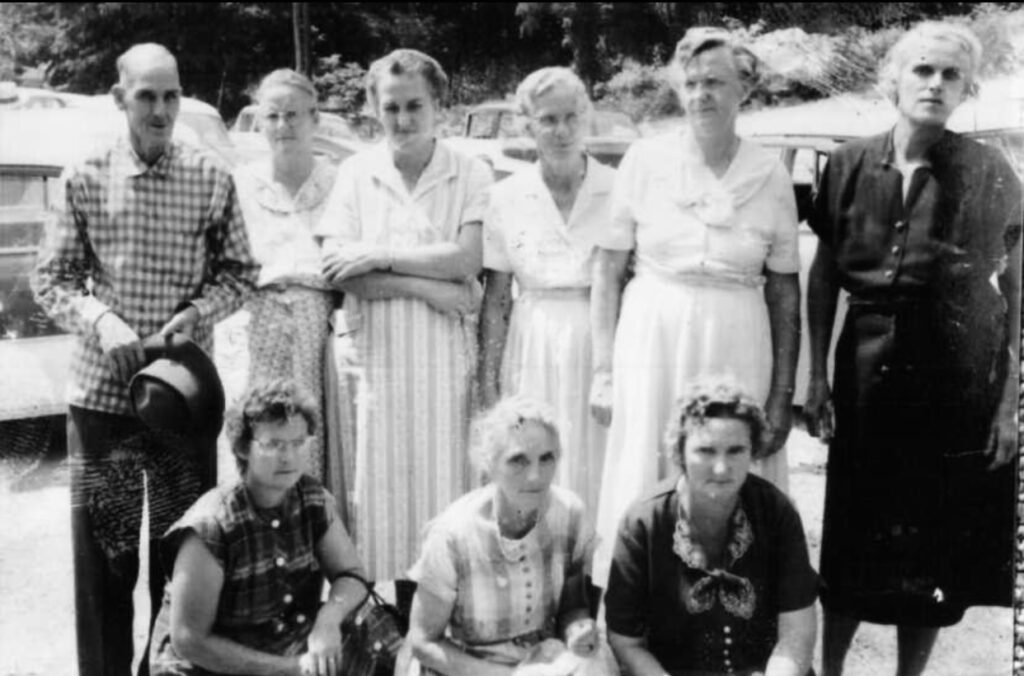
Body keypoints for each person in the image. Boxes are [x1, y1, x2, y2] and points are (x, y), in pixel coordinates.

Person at [30, 43, 259, 676]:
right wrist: (101, 320)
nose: (160, 110)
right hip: (102, 399)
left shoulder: (210, 176)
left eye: (171, 95)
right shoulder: (84, 174)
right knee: (104, 565)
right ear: (119, 98)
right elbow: (51, 278)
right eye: (146, 96)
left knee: (183, 559)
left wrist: (198, 313)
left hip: (182, 400)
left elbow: (241, 271)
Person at [804, 21, 1022, 676]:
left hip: (954, 374)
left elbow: (1017, 290)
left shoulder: (987, 170)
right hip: (865, 371)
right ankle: (830, 670)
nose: (935, 84)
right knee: (852, 532)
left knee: (929, 542)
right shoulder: (847, 164)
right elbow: (823, 276)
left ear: (967, 89)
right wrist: (814, 377)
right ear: (892, 79)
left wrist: (1010, 403)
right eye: (922, 70)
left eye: (950, 74)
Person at [589, 27, 801, 585]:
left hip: (738, 339)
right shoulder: (644, 159)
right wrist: (605, 368)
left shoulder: (772, 173)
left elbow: (783, 287)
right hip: (653, 337)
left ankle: (731, 612)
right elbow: (608, 270)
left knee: (731, 467)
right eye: (691, 83)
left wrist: (781, 395)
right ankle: (638, 613)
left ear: (744, 90)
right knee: (647, 466)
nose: (701, 94)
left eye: (715, 82)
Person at [318, 49, 493, 594]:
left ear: (439, 105)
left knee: (447, 492)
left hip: (444, 362)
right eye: (390, 107)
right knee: (383, 499)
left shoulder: (469, 171)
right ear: (373, 108)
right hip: (379, 364)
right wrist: (426, 286)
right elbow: (339, 271)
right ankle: (392, 630)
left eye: (415, 105)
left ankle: (447, 623)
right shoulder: (355, 172)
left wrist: (379, 256)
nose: (403, 119)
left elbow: (466, 260)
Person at [149, 380, 367, 676]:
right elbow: (189, 640)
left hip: (284, 647)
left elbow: (351, 575)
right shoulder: (211, 526)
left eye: (298, 442)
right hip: (207, 668)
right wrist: (290, 670)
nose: (288, 457)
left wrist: (329, 619)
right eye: (273, 444)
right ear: (242, 448)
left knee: (373, 642)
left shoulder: (313, 499)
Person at [605, 380, 818, 676]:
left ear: (753, 450)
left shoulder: (777, 512)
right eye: (706, 451)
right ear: (680, 452)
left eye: (735, 451)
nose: (721, 468)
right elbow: (626, 642)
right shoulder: (643, 522)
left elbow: (796, 633)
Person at [479, 66, 617, 512]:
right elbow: (498, 298)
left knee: (595, 460)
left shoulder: (617, 190)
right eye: (547, 120)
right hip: (532, 340)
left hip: (599, 344)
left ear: (587, 117)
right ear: (527, 124)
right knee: (533, 455)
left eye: (571, 117)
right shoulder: (507, 196)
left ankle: (593, 576)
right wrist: (488, 378)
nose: (561, 131)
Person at [405, 395, 618, 676]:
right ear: (490, 464)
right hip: (469, 668)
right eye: (518, 460)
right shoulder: (453, 533)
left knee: (596, 661)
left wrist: (577, 629)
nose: (535, 476)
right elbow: (422, 642)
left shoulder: (569, 514)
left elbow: (573, 608)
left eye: (546, 458)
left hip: (541, 661)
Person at [233, 68, 338, 485]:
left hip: (323, 327)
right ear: (259, 121)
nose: (283, 126)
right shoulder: (241, 184)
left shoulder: (341, 181)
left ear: (315, 118)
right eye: (273, 116)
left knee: (316, 435)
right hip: (257, 326)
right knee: (263, 432)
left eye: (293, 115)